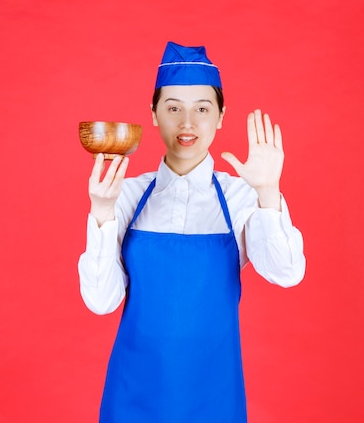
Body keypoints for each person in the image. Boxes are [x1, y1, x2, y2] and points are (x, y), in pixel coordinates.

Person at [78, 41, 305, 423]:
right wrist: (102, 210)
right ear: (153, 114)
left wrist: (269, 191)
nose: (187, 124)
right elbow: (101, 302)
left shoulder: (239, 195)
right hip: (134, 393)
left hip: (215, 394)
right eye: (172, 109)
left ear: (220, 116)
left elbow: (286, 272)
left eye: (202, 109)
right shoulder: (126, 194)